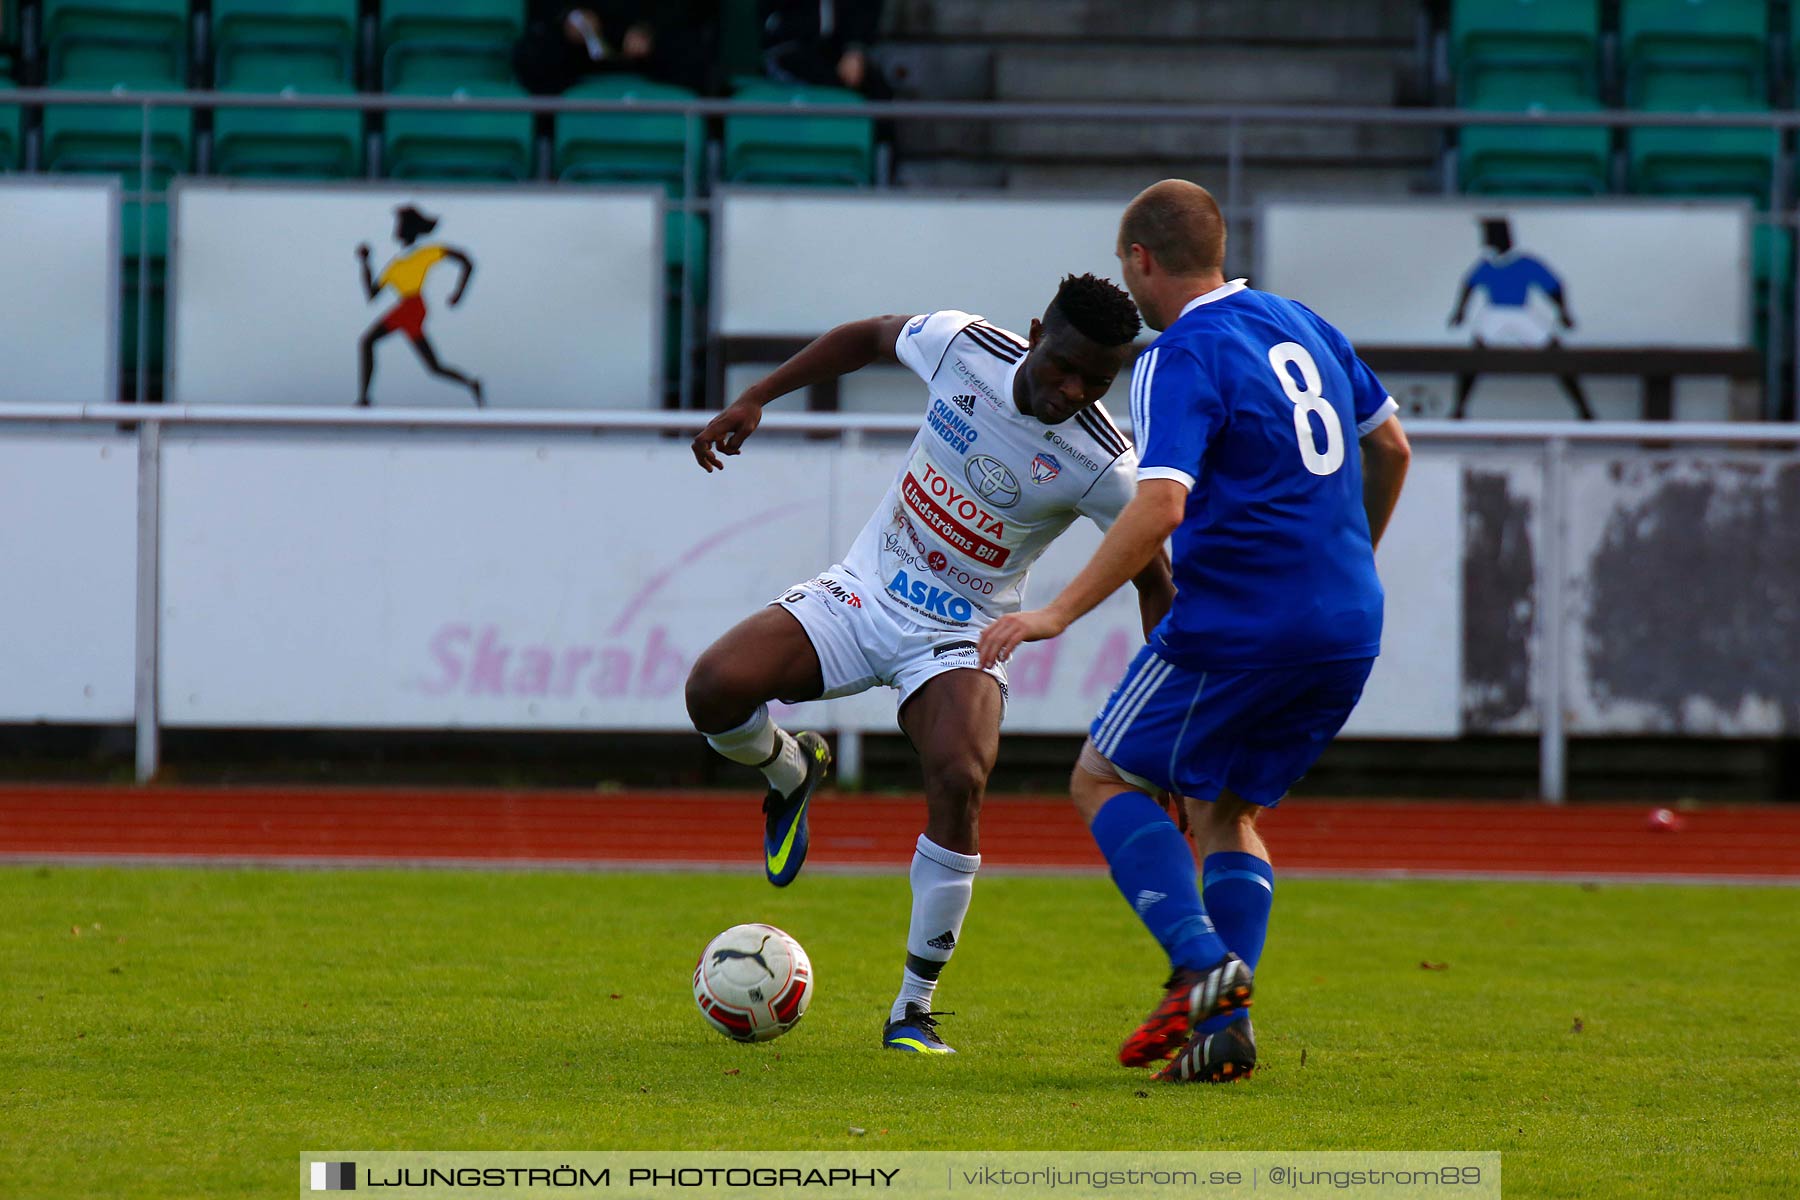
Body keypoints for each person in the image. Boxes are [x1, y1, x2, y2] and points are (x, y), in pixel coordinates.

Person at [978, 181, 1412, 1084]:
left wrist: (1055, 611)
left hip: (1243, 620)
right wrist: (1347, 558)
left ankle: (1202, 964)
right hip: (1348, 622)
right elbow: (1393, 447)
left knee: (1102, 777)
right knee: (1225, 810)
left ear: (1140, 259)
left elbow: (1162, 503)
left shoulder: (1181, 353)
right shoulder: (1303, 323)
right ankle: (1224, 1036)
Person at [685, 274, 1171, 1054]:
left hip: (959, 634)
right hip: (863, 593)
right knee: (713, 690)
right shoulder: (964, 347)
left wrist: (1165, 710)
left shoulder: (1104, 464)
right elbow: (869, 336)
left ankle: (912, 1009)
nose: (1072, 389)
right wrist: (757, 398)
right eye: (1063, 365)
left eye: (1097, 380)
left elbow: (1155, 574)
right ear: (1037, 329)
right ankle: (788, 770)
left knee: (960, 775)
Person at [1447, 216, 1590, 420]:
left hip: (1521, 313)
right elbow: (1468, 285)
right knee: (1474, 357)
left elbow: (1554, 286)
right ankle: (1458, 409)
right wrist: (1460, 312)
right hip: (1495, 313)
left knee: (1558, 355)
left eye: (1488, 234)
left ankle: (1584, 410)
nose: (1484, 239)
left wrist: (1563, 312)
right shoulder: (1488, 264)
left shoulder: (1524, 262)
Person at [356, 205, 483, 408]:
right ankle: (472, 383)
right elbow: (372, 294)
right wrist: (365, 263)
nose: (396, 229)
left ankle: (364, 399)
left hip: (412, 307)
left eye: (399, 225)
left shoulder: (426, 253)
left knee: (367, 342)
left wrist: (458, 293)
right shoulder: (395, 266)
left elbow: (467, 261)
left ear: (409, 229)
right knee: (434, 367)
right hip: (409, 308)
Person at [515, 1, 719, 96]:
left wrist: (651, 29)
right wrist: (569, 15)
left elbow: (694, 9)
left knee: (698, 60)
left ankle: (693, 154)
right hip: (584, 40)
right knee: (536, 55)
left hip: (652, 41)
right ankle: (547, 154)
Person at [759, 0, 891, 99]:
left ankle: (882, 136)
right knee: (827, 85)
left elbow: (862, 11)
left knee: (877, 89)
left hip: (835, 49)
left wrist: (854, 49)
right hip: (788, 49)